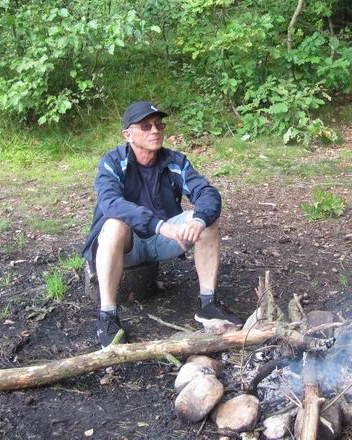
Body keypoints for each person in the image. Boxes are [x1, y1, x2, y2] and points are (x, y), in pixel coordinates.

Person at [82, 100, 241, 347]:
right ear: (128, 135)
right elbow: (110, 203)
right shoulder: (112, 162)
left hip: (162, 239)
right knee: (114, 224)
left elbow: (206, 192)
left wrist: (198, 219)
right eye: (145, 126)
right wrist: (158, 224)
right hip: (127, 245)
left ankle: (208, 304)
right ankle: (108, 316)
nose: (155, 131)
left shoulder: (174, 161)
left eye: (158, 125)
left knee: (207, 221)